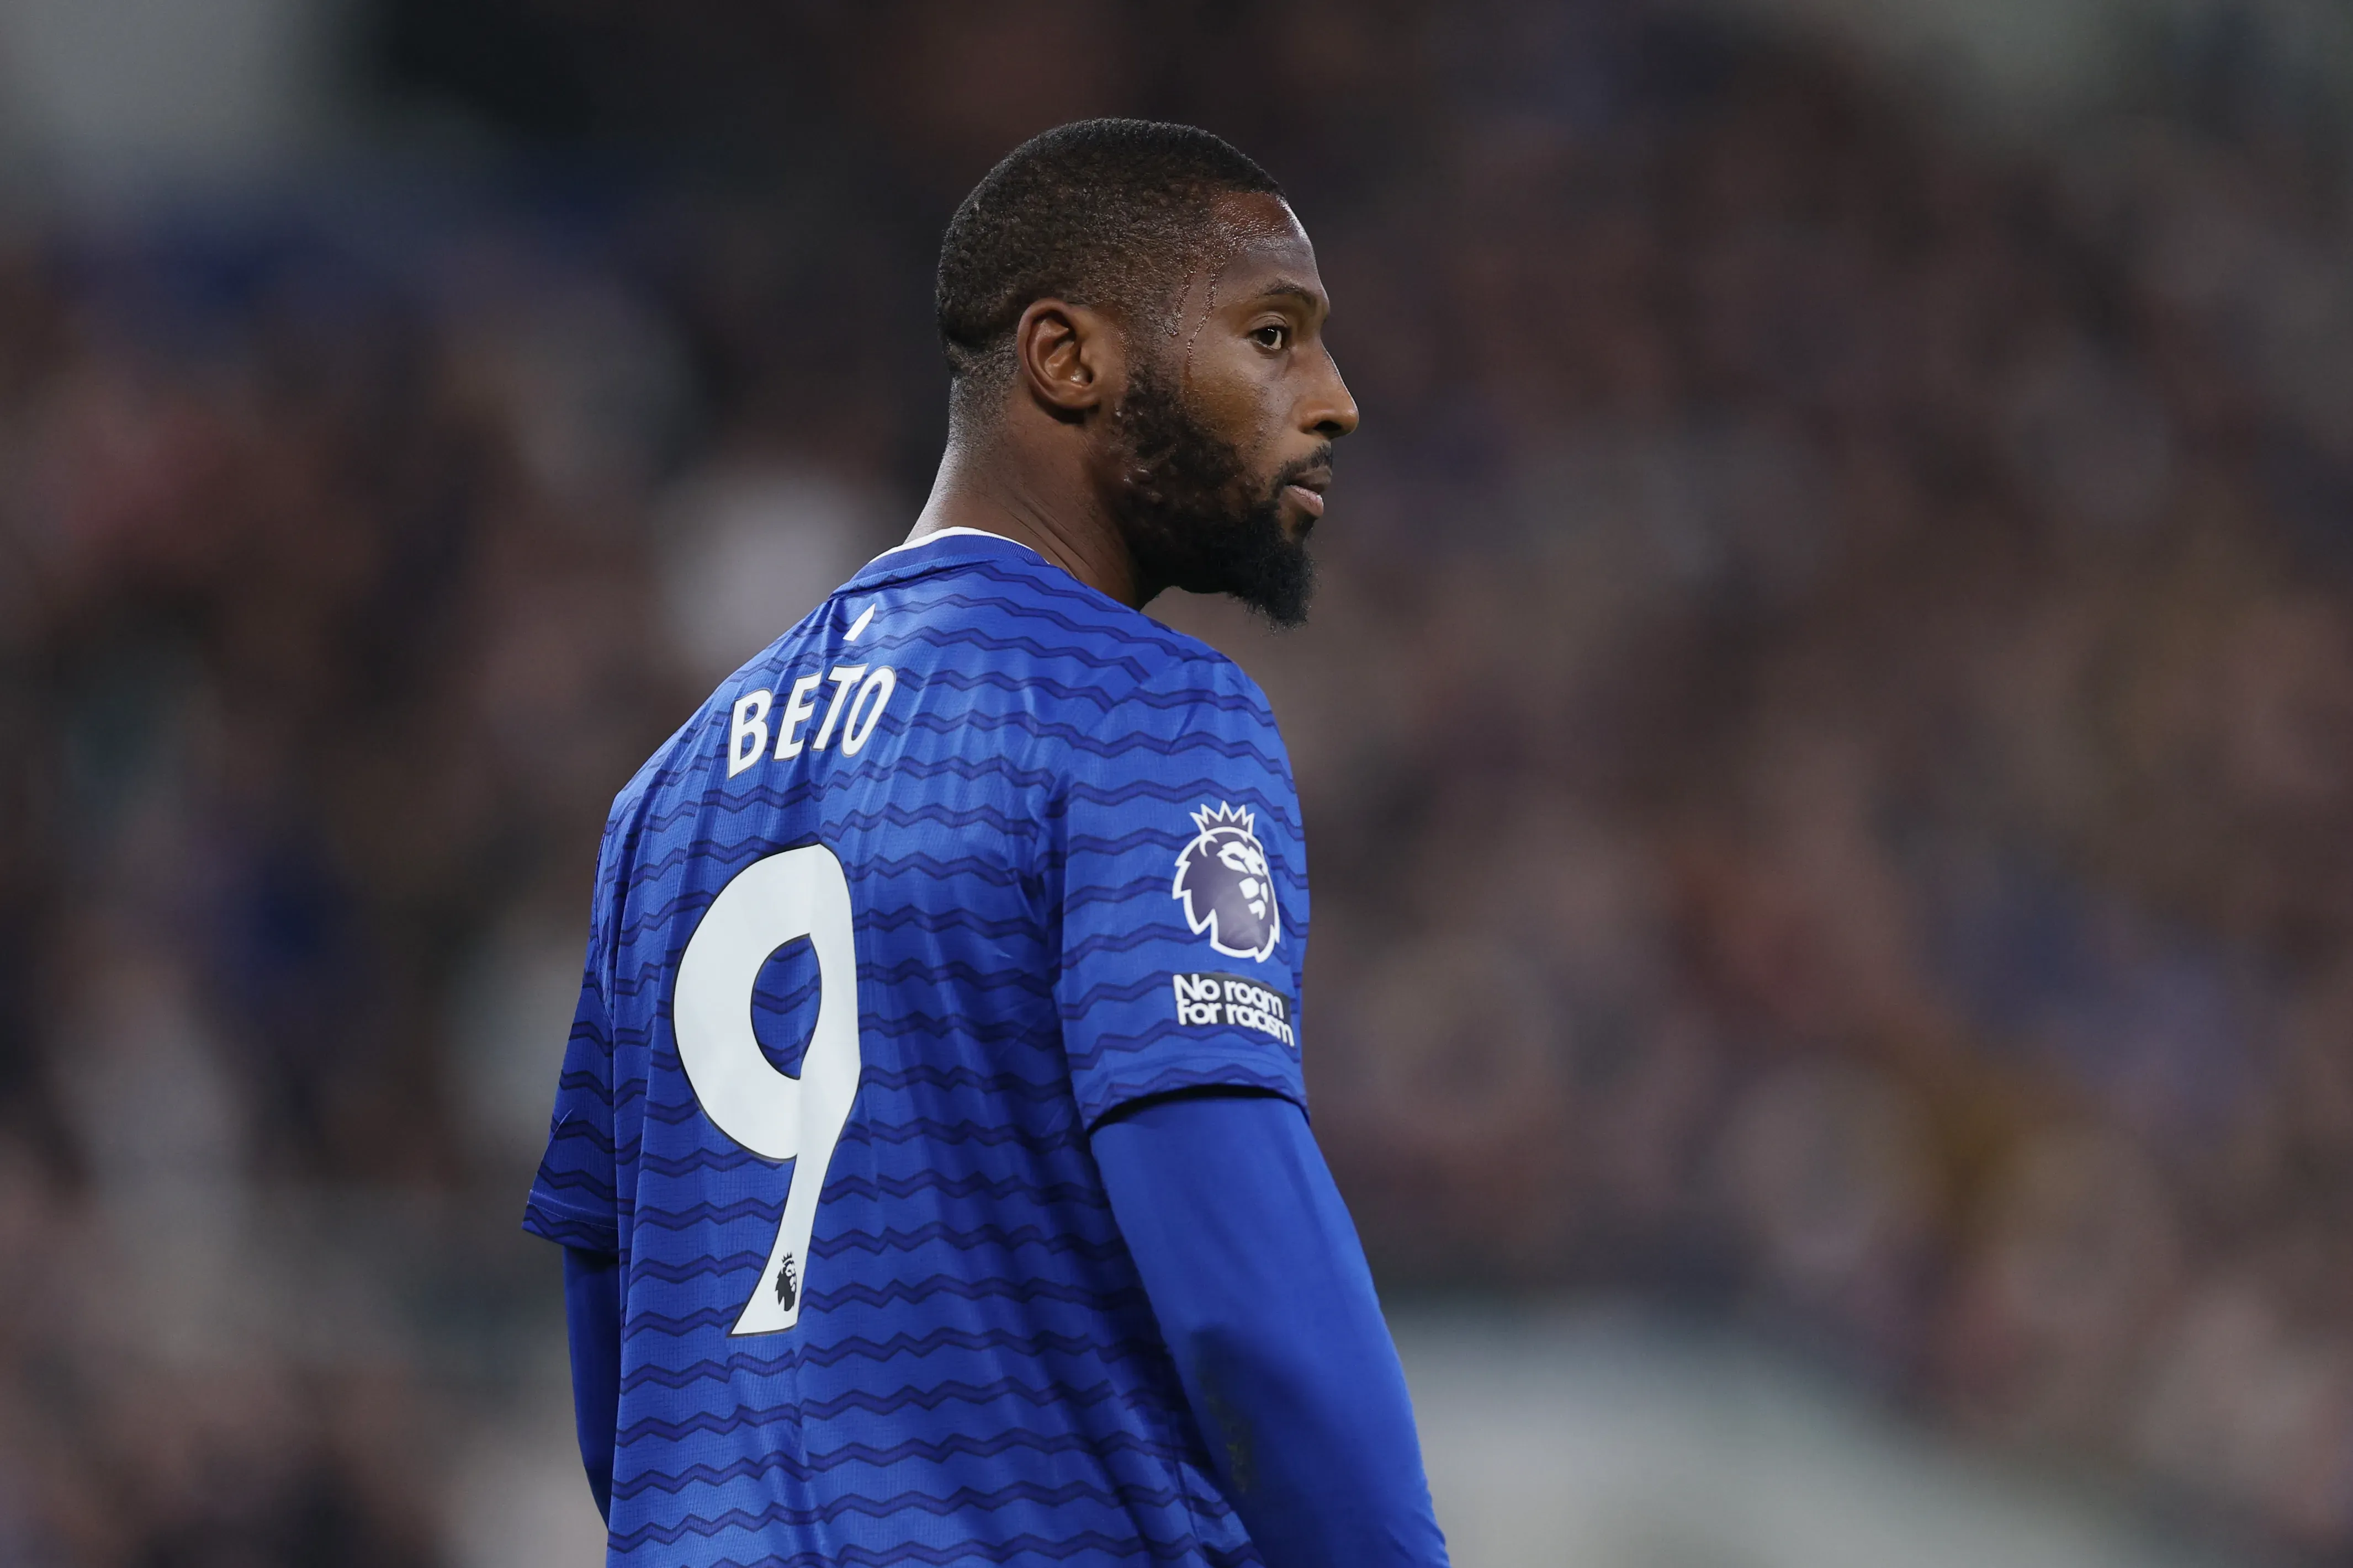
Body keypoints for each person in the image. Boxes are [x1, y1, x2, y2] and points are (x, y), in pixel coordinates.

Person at [524, 118, 1450, 1567]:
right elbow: (1245, 1297)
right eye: (1272, 334)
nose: (1330, 400)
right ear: (1067, 360)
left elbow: (625, 1388)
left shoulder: (666, 797)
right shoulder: (1136, 711)